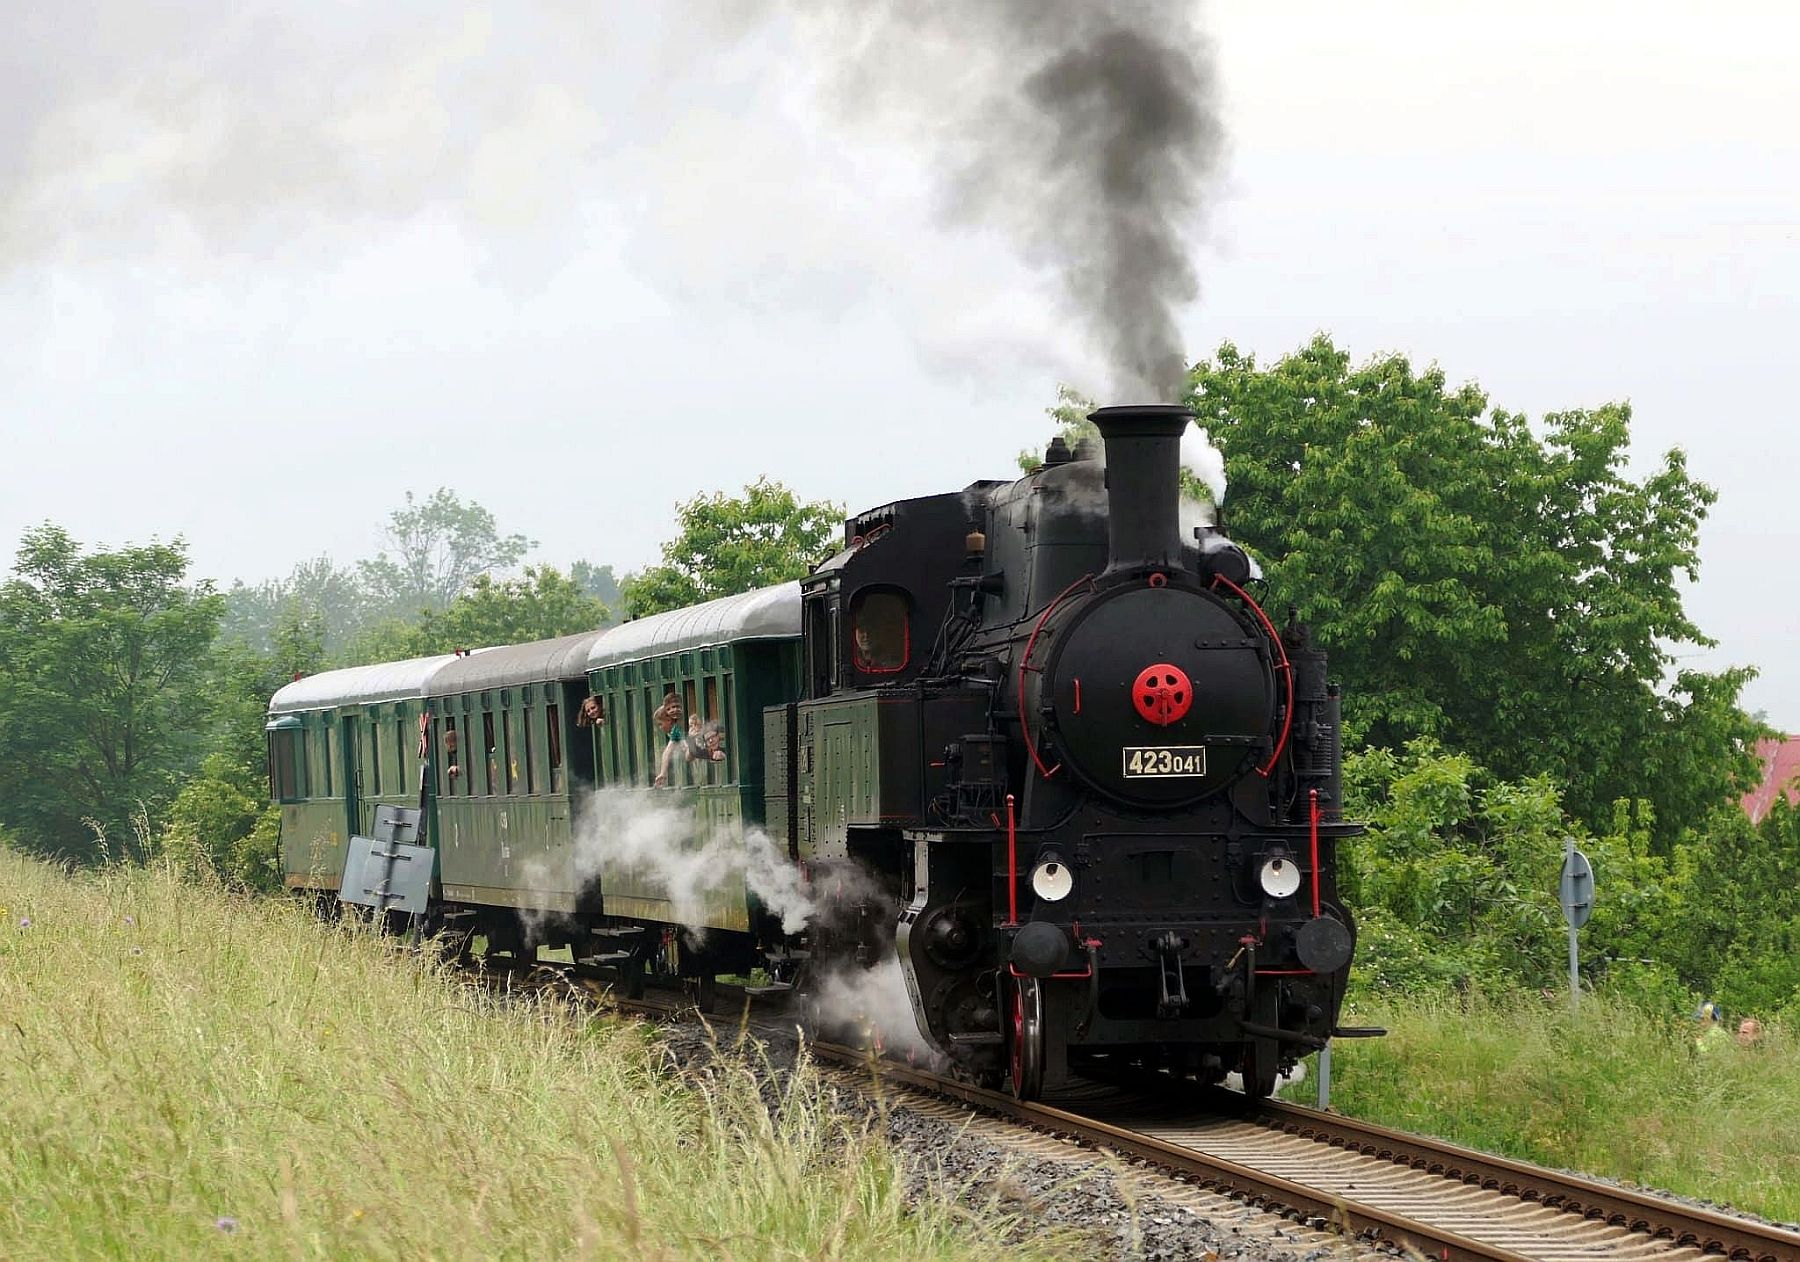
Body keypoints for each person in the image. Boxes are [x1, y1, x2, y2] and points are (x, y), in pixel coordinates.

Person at [652, 693, 684, 787]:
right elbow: (668, 751)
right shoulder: (675, 730)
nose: (660, 728)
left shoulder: (677, 729)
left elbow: (668, 751)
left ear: (668, 720)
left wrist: (663, 773)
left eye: (660, 724)